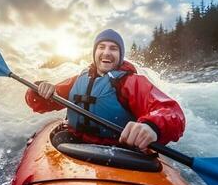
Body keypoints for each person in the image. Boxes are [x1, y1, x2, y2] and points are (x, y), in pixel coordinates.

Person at [25, 29, 185, 153]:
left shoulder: (131, 82)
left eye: (113, 48)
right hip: (73, 144)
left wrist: (153, 127)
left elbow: (172, 112)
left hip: (119, 150)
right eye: (101, 47)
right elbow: (39, 104)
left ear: (120, 56)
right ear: (94, 53)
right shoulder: (77, 80)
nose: (107, 52)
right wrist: (38, 90)